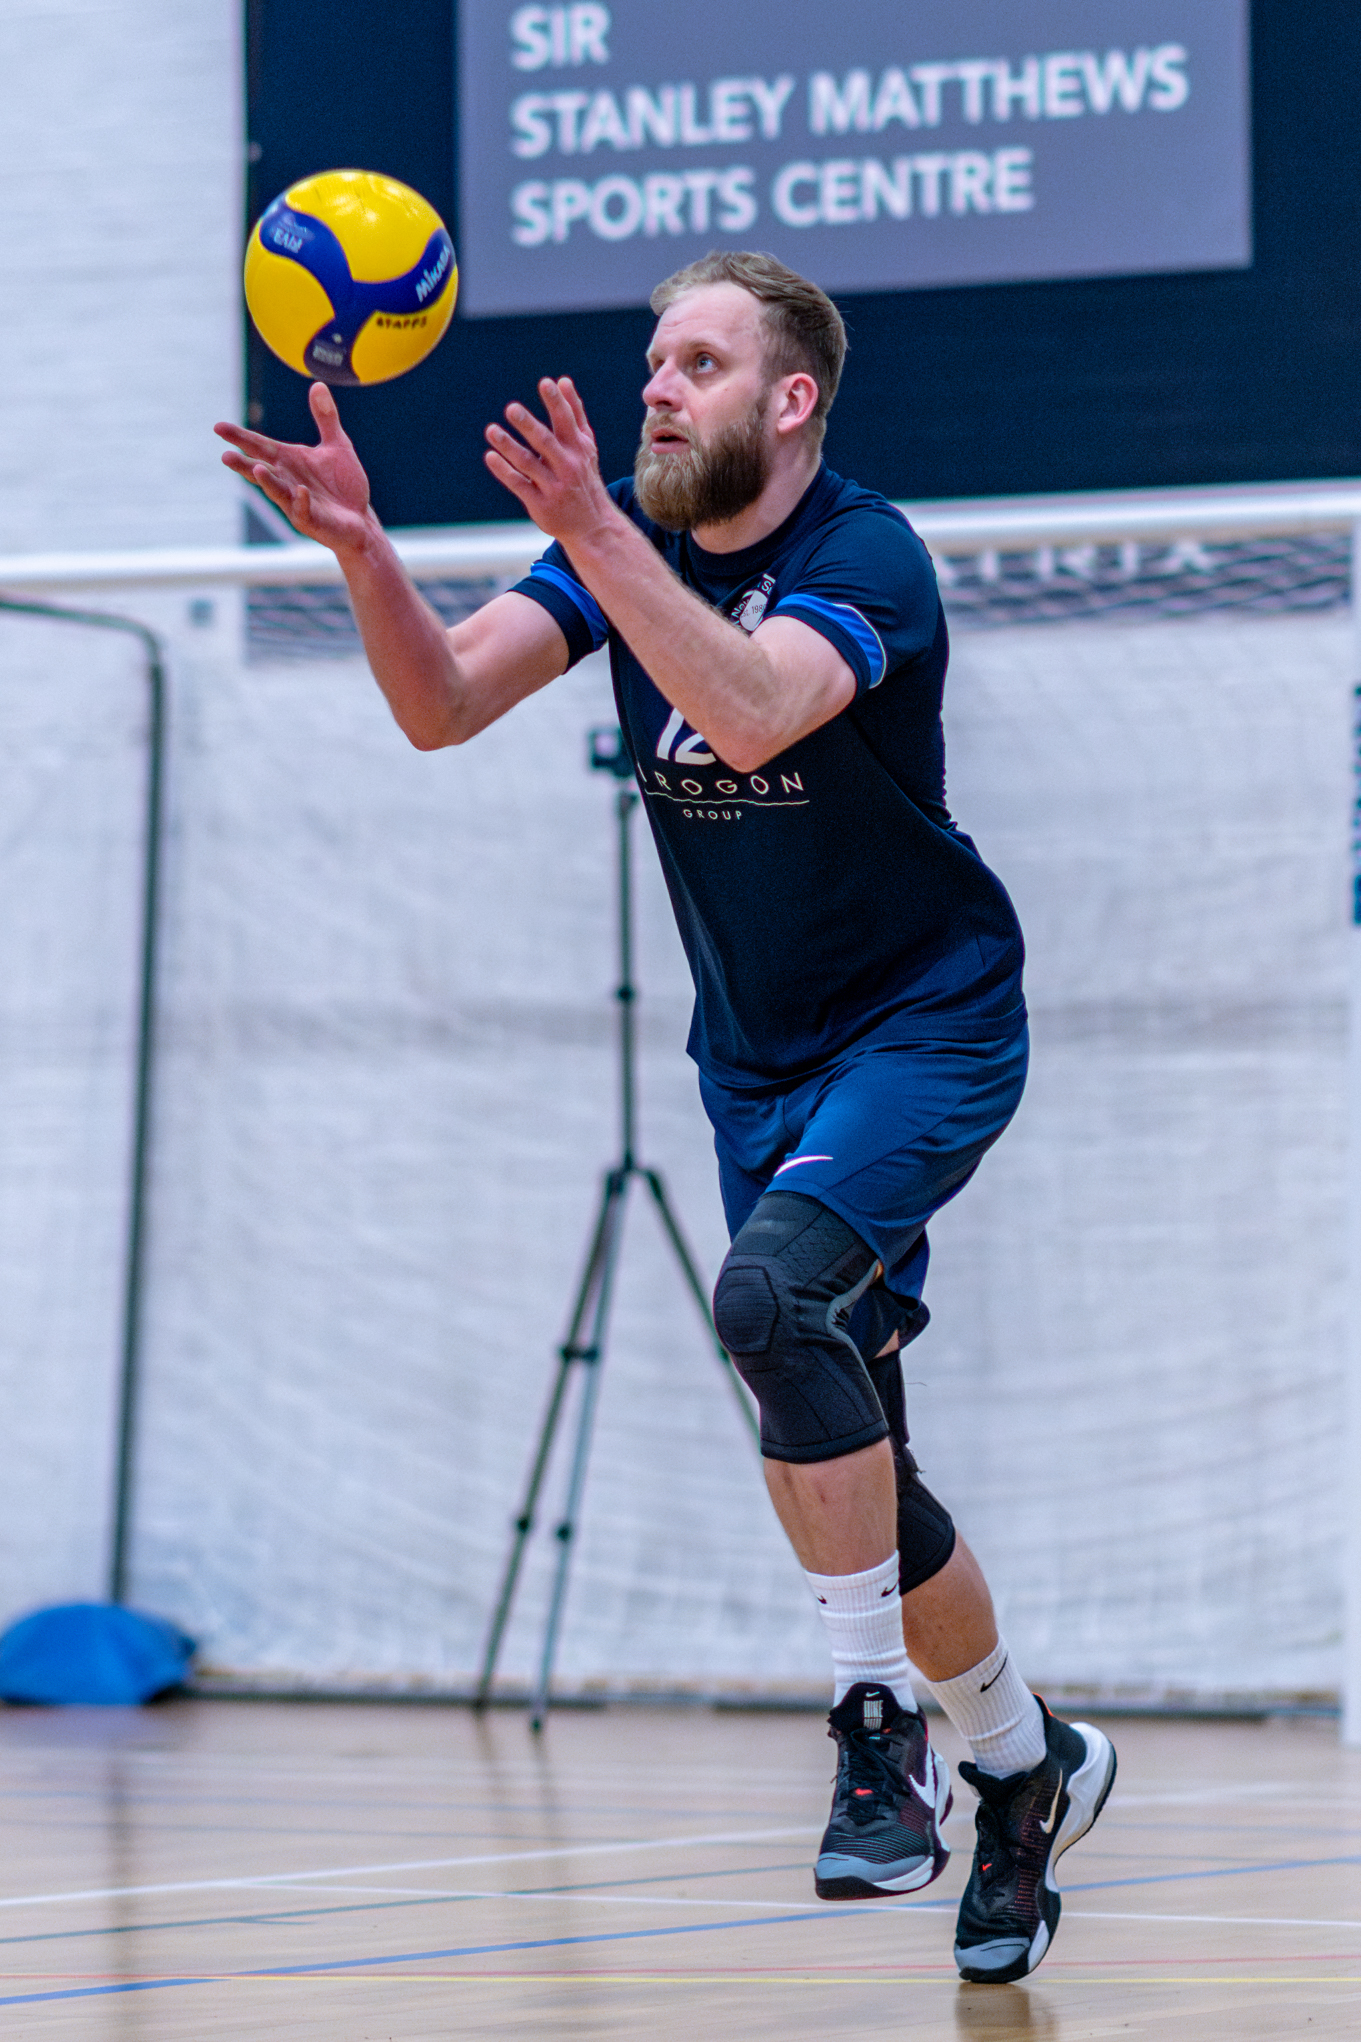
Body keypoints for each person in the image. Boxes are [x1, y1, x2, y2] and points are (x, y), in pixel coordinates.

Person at [215, 249, 1115, 1984]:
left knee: (766, 1301)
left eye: (694, 362)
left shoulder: (864, 551)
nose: (652, 387)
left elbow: (759, 698)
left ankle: (874, 1733)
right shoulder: (608, 554)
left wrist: (601, 539)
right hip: (759, 1056)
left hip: (923, 1023)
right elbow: (441, 705)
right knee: (860, 1450)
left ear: (788, 400)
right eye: (649, 359)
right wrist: (366, 554)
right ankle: (1025, 1769)